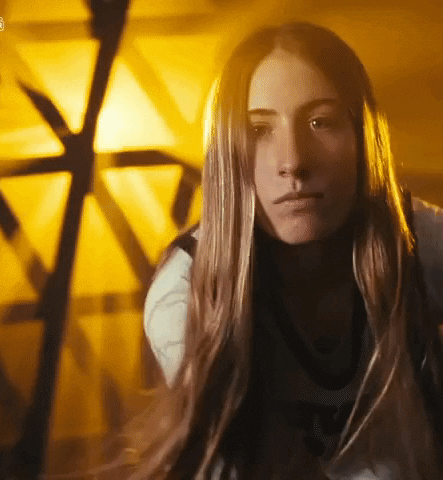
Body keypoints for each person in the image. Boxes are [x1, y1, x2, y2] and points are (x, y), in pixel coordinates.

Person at [126, 22, 443, 479]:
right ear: (227, 150)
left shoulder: (417, 242)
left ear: (362, 135)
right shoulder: (188, 291)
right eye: (258, 129)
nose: (293, 161)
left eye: (320, 122)